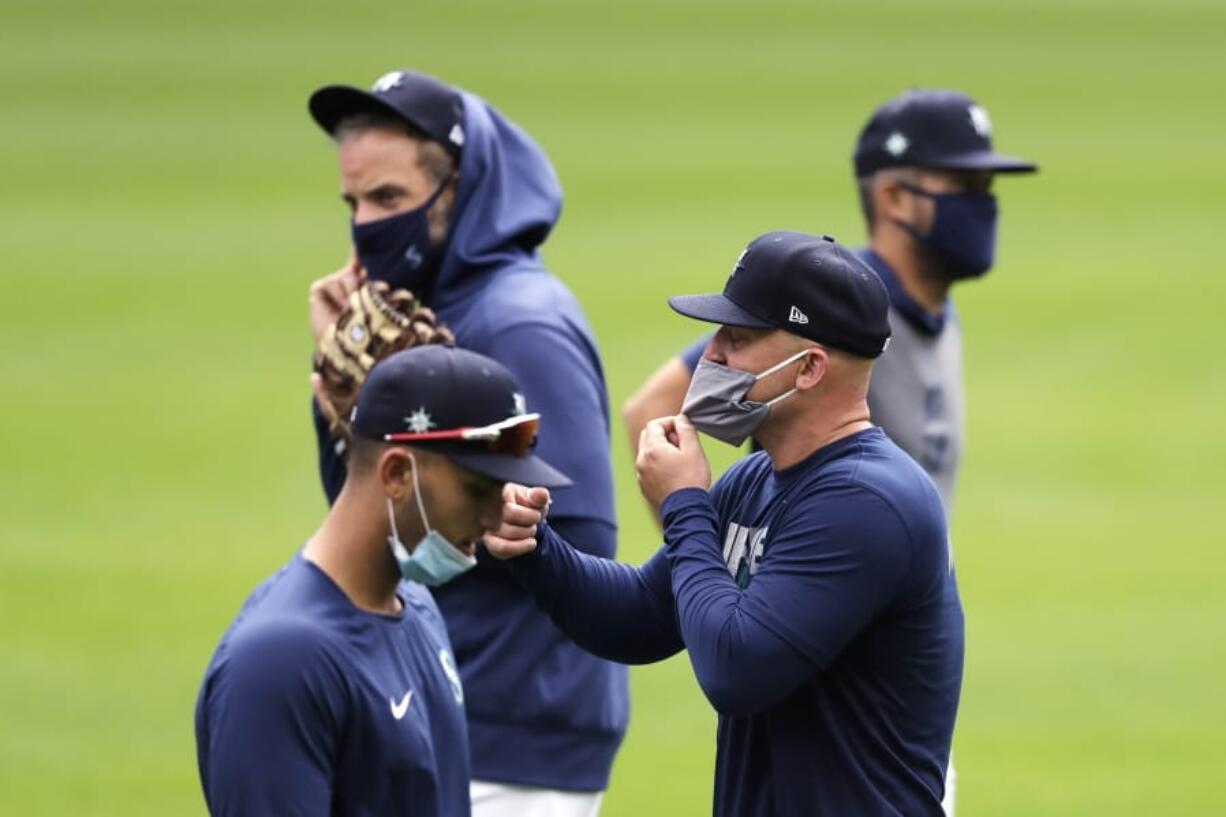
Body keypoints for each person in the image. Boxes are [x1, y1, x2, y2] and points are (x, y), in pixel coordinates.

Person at [487, 232, 965, 817]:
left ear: (810, 367)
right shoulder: (758, 478)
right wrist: (535, 547)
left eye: (736, 338)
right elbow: (639, 616)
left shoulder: (868, 502)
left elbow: (738, 669)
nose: (711, 355)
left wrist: (684, 502)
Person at [304, 70, 625, 814]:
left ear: (460, 188)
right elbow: (362, 514)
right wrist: (343, 391)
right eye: (354, 203)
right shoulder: (412, 317)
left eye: (389, 199)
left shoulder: (519, 322)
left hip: (512, 736)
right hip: (444, 711)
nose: (366, 226)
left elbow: (581, 537)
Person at [195, 345, 573, 817]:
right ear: (396, 473)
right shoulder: (279, 663)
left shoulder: (416, 607)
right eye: (479, 489)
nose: (500, 513)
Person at [623, 88, 1038, 513]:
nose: (983, 204)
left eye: (986, 186)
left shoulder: (938, 314)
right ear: (894, 197)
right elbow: (652, 408)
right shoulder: (833, 308)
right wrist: (708, 561)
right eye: (963, 186)